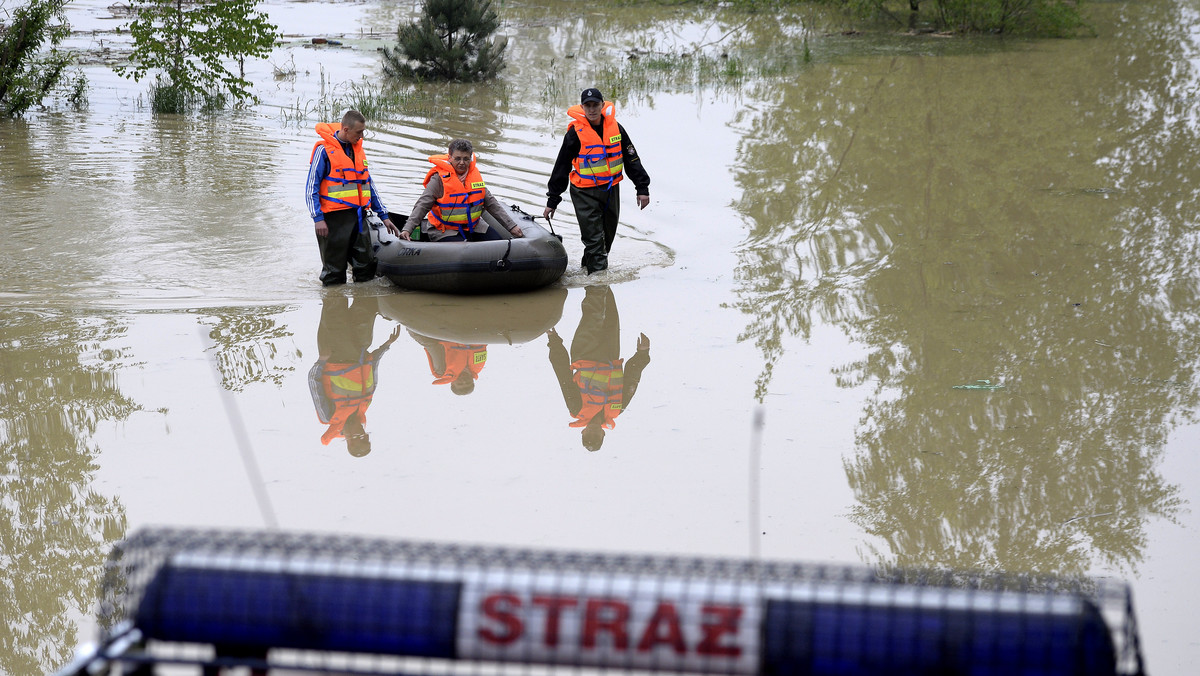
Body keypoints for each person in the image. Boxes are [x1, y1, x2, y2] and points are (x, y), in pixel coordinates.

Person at [543, 88, 651, 273]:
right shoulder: (575, 134)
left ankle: (587, 269)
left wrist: (642, 188)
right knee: (594, 241)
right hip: (584, 192)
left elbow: (631, 158)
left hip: (610, 190)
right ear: (582, 107)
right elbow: (561, 166)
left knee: (606, 240)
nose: (592, 109)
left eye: (595, 105)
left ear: (602, 105)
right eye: (588, 105)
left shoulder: (616, 128)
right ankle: (598, 284)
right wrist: (553, 200)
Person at [547, 285, 651, 451]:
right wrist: (642, 354)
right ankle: (604, 281)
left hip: (584, 353)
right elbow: (632, 380)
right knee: (610, 312)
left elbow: (563, 376)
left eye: (588, 436)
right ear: (603, 434)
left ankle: (595, 275)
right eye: (595, 437)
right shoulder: (618, 409)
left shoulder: (576, 409)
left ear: (583, 432)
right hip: (610, 355)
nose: (592, 433)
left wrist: (555, 343)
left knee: (593, 314)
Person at [306, 109, 400, 286]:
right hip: (333, 220)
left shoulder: (358, 150)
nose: (362, 135)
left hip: (358, 217)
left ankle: (363, 307)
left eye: (363, 131)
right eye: (359, 132)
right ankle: (334, 305)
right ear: (346, 129)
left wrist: (384, 216)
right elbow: (311, 188)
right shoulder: (324, 151)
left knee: (365, 267)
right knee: (334, 274)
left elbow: (369, 185)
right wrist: (318, 219)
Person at [308, 295, 401, 457]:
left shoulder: (328, 415)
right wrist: (386, 346)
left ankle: (333, 273)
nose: (361, 432)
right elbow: (372, 370)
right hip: (361, 349)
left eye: (358, 437)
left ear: (348, 440)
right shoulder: (363, 406)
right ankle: (359, 273)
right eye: (365, 436)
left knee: (335, 301)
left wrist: (321, 361)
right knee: (366, 301)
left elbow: (313, 383)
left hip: (335, 352)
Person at [400, 139, 525, 242]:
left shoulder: (474, 177)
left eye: (466, 159)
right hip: (444, 229)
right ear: (450, 158)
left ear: (470, 158)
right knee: (462, 251)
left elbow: (491, 203)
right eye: (457, 158)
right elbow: (422, 205)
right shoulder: (438, 179)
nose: (462, 163)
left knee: (498, 243)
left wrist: (511, 226)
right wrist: (408, 229)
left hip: (474, 226)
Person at [407, 330, 488, 395]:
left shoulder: (442, 371)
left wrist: (412, 328)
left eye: (460, 384)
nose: (464, 381)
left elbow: (431, 346)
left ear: (452, 383)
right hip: (472, 331)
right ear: (472, 381)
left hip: (445, 332)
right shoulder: (477, 367)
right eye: (468, 383)